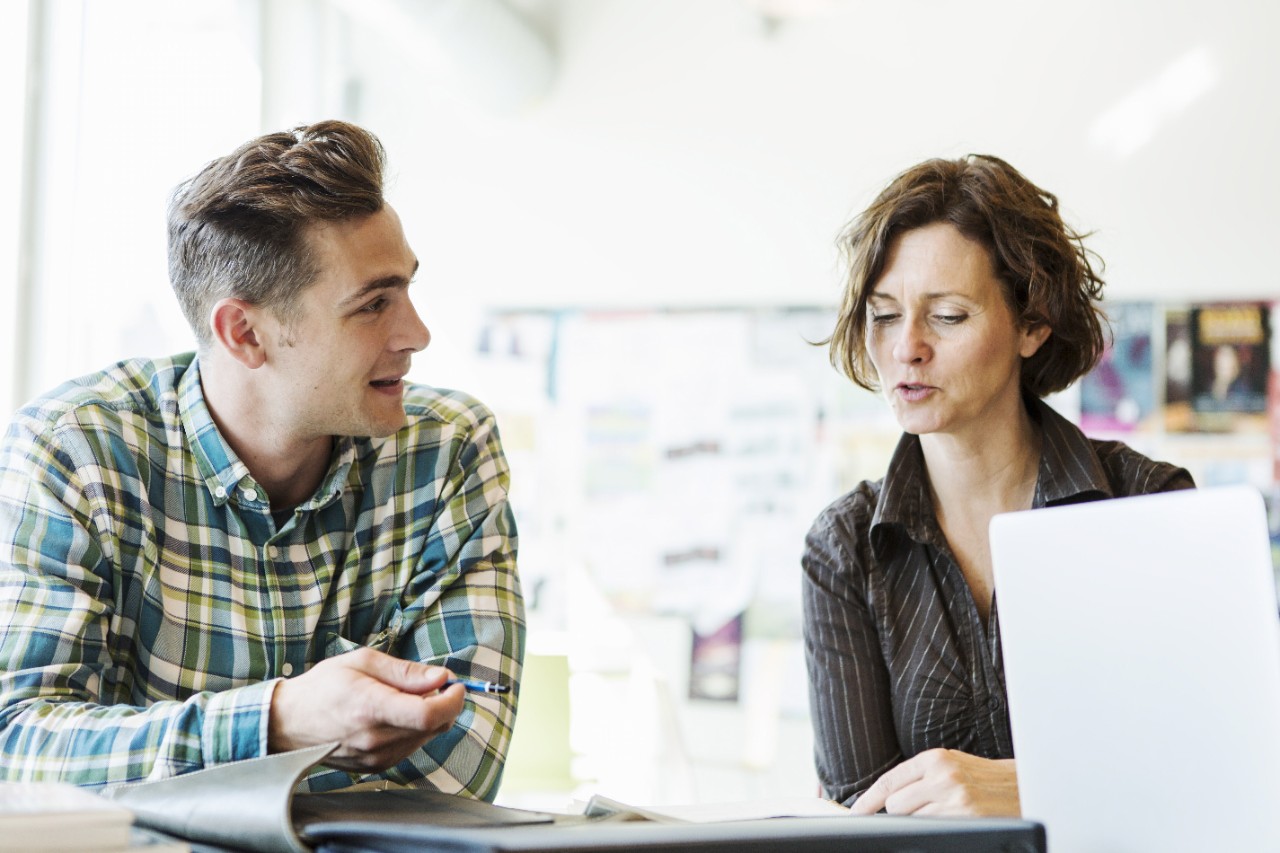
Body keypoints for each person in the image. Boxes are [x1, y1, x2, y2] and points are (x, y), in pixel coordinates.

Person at [0, 120, 525, 797]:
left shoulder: (449, 451)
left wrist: (169, 769)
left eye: (407, 291)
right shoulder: (76, 450)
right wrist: (275, 721)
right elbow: (18, 745)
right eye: (373, 305)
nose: (416, 334)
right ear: (244, 332)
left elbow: (459, 767)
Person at [802, 155, 1193, 816]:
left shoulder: (1148, 504)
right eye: (885, 314)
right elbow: (861, 819)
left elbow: (1207, 769)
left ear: (1033, 323)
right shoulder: (844, 548)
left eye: (948, 316)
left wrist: (1029, 790)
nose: (907, 348)